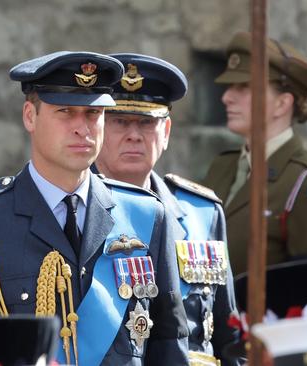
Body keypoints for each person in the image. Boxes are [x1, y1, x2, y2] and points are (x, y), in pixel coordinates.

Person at [0, 51, 189, 365]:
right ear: (30, 116)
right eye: (65, 112)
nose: (82, 128)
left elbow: (170, 342)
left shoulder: (145, 214)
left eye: (93, 114)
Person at [94, 53, 240, 366]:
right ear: (98, 127)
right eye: (119, 121)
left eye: (146, 123)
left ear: (167, 132)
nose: (134, 134)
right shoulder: (73, 209)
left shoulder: (202, 212)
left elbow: (230, 335)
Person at [202, 31, 307, 274]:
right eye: (229, 87)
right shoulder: (223, 166)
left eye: (244, 87)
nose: (226, 97)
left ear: (282, 103)